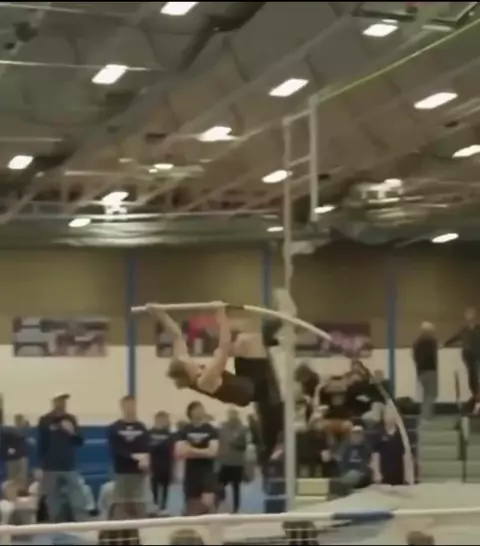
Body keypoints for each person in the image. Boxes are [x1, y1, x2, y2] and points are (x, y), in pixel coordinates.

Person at [146, 303, 284, 462]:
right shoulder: (205, 380)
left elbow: (177, 335)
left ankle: (269, 338)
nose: (189, 359)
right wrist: (220, 315)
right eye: (187, 362)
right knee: (247, 343)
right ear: (186, 371)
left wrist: (160, 314)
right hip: (250, 391)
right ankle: (271, 333)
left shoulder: (187, 367)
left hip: (244, 379)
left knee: (244, 340)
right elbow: (224, 346)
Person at [37, 393, 86, 522]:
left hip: (69, 465)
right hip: (50, 467)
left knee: (77, 497)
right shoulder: (45, 420)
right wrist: (40, 465)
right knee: (52, 500)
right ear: (54, 402)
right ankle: (55, 524)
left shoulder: (71, 419)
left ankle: (81, 523)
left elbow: (80, 441)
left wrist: (72, 431)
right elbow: (42, 443)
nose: (63, 404)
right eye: (60, 401)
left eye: (65, 401)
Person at [107, 395, 150, 519]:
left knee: (139, 504)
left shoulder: (142, 427)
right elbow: (116, 449)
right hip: (122, 472)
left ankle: (139, 527)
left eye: (133, 405)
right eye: (128, 405)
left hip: (138, 474)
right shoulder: (114, 428)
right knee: (122, 505)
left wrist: (146, 459)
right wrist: (134, 457)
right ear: (122, 407)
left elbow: (146, 447)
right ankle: (121, 528)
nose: (131, 408)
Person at [175, 401, 219, 515]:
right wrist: (203, 452)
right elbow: (179, 452)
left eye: (201, 409)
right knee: (192, 511)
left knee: (208, 507)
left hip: (207, 475)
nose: (200, 412)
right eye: (197, 409)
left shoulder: (211, 430)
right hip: (191, 477)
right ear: (191, 413)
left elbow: (213, 452)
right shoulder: (184, 430)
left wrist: (191, 450)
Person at [445, 307, 480, 399]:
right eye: (468, 315)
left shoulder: (478, 329)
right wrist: (445, 343)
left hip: (477, 354)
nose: (470, 317)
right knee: (471, 374)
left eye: (472, 315)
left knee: (474, 373)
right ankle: (476, 394)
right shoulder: (464, 330)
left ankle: (477, 393)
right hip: (467, 354)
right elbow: (455, 337)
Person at [372, 409, 413, 486]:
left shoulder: (402, 434)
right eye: (387, 414)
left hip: (399, 473)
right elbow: (375, 455)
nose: (389, 417)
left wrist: (408, 476)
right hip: (383, 473)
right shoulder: (379, 433)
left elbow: (406, 455)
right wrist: (376, 472)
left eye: (392, 414)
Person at [218, 408, 248, 513]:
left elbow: (244, 445)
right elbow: (220, 442)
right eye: (230, 415)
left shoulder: (242, 429)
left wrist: (234, 442)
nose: (231, 417)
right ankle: (221, 503)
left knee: (236, 487)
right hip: (225, 461)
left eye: (233, 415)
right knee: (220, 484)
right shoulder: (223, 428)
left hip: (237, 462)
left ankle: (236, 508)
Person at [149, 411, 174, 513]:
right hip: (154, 465)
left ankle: (164, 507)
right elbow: (148, 448)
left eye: (166, 419)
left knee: (165, 489)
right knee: (154, 488)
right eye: (162, 419)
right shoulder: (150, 433)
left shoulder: (170, 435)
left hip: (166, 465)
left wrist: (157, 445)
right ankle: (154, 507)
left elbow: (170, 448)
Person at [412, 322, 438, 422]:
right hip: (430, 370)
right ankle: (426, 416)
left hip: (421, 371)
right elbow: (432, 355)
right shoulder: (432, 342)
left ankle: (426, 414)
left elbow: (415, 357)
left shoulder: (416, 342)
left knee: (427, 394)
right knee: (430, 394)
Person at [1, 414, 30, 491]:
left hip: (16, 458)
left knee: (17, 482)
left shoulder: (7, 430)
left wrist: (11, 448)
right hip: (13, 458)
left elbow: (21, 435)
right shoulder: (7, 430)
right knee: (14, 482)